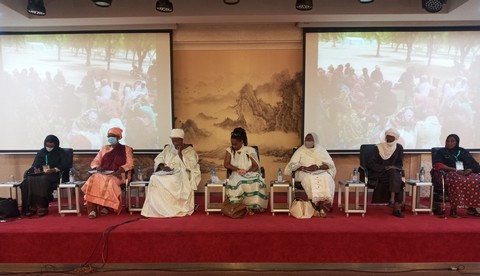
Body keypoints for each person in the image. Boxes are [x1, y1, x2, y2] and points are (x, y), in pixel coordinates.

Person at [141, 129, 201, 218]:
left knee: (174, 180)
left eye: (177, 140)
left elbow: (191, 165)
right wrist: (162, 167)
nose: (175, 142)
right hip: (168, 171)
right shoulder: (168, 148)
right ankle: (156, 208)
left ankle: (173, 209)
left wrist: (180, 153)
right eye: (173, 140)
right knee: (154, 178)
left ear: (182, 140)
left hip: (182, 172)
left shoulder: (190, 150)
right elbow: (159, 159)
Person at [82, 127, 134, 219]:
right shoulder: (104, 149)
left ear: (118, 137)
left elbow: (130, 163)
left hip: (118, 175)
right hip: (104, 173)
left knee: (109, 183)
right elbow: (95, 161)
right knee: (93, 179)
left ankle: (105, 206)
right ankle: (93, 209)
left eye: (112, 136)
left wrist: (120, 170)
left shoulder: (126, 149)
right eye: (108, 136)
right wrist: (98, 167)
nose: (110, 138)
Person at [284, 133, 336, 217]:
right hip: (304, 172)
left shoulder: (321, 150)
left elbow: (330, 165)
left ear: (315, 140)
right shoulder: (300, 150)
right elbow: (292, 165)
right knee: (310, 179)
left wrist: (318, 167)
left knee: (326, 178)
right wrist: (305, 167)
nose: (307, 141)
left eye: (310, 139)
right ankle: (315, 207)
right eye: (306, 139)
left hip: (320, 171)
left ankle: (320, 207)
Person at [432, 134, 480, 218]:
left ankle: (472, 207)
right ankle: (453, 209)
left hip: (465, 172)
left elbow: (475, 164)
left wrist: (470, 170)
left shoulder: (463, 151)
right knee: (457, 180)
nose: (449, 143)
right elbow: (438, 165)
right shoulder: (441, 152)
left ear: (457, 142)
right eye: (447, 141)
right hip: (450, 172)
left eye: (452, 141)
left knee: (477, 180)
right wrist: (455, 170)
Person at [20, 135, 68, 217]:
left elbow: (65, 165)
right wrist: (36, 169)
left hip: (54, 175)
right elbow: (35, 164)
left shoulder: (60, 152)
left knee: (43, 179)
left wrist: (53, 170)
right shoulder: (41, 152)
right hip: (41, 173)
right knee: (27, 180)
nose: (49, 147)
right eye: (47, 145)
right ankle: (30, 207)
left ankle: (42, 206)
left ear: (55, 145)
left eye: (51, 146)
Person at [224, 127, 267, 213]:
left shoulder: (250, 150)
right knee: (238, 182)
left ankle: (252, 206)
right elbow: (226, 164)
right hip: (236, 174)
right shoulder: (229, 150)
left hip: (249, 173)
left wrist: (247, 172)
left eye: (235, 144)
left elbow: (255, 166)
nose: (233, 146)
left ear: (242, 141)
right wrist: (238, 170)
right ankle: (239, 207)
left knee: (255, 182)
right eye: (232, 144)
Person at [367, 128, 405, 218]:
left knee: (394, 173)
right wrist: (384, 168)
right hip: (379, 173)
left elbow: (400, 164)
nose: (389, 139)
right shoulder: (379, 147)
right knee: (397, 180)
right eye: (387, 136)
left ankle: (393, 200)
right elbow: (371, 164)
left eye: (391, 137)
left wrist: (392, 167)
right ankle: (396, 207)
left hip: (392, 174)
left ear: (395, 138)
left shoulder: (399, 148)